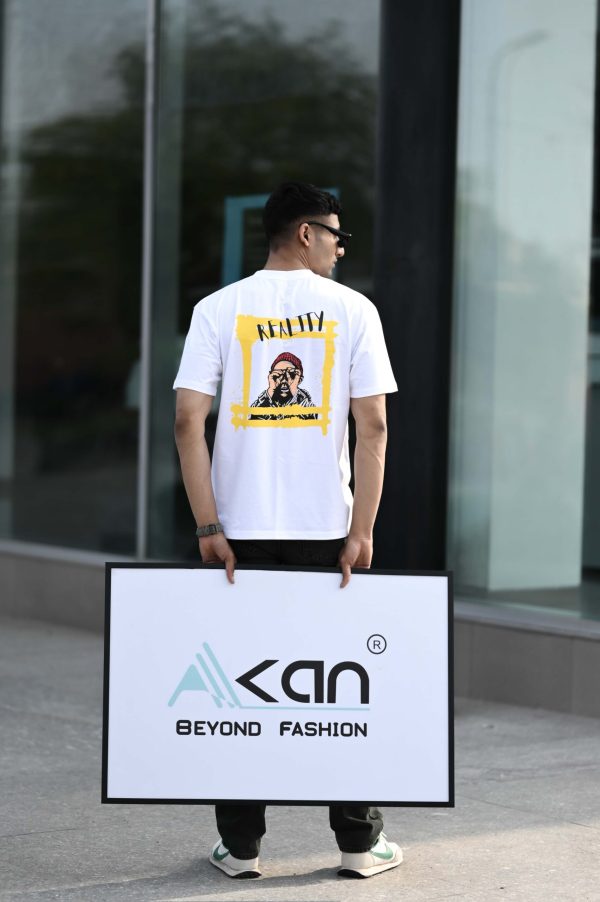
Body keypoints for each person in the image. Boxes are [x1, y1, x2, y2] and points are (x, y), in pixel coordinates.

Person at [173, 181, 401, 880]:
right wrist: (361, 529)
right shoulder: (353, 310)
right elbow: (373, 426)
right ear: (306, 233)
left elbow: (187, 421)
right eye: (337, 235)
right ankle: (358, 843)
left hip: (237, 534)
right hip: (324, 531)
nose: (340, 249)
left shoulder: (217, 309)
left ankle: (241, 848)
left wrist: (207, 523)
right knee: (337, 684)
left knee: (241, 685)